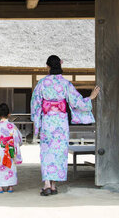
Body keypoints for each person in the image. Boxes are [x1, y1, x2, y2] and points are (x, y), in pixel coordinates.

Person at [30, 55, 100, 196]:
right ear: (60, 66)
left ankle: (47, 184)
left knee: (47, 152)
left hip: (48, 122)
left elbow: (35, 104)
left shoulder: (42, 83)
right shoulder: (65, 84)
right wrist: (90, 98)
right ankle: (54, 185)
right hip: (61, 123)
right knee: (59, 152)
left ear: (47, 67)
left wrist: (37, 123)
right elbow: (76, 102)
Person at [0, 103, 23, 193]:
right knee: (11, 166)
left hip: (1, 149)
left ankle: (1, 187)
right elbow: (18, 138)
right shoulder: (13, 126)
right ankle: (10, 187)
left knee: (1, 166)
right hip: (10, 149)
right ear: (9, 114)